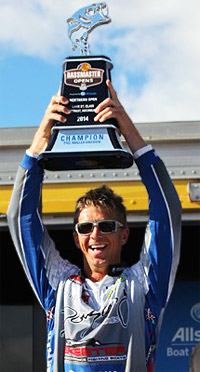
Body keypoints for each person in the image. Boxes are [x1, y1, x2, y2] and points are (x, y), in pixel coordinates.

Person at [7, 80, 181, 372]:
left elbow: (167, 212)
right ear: (76, 239)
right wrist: (43, 135)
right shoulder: (58, 287)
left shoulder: (144, 285)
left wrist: (125, 126)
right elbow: (21, 218)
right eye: (85, 228)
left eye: (106, 226)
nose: (95, 235)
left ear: (124, 234)